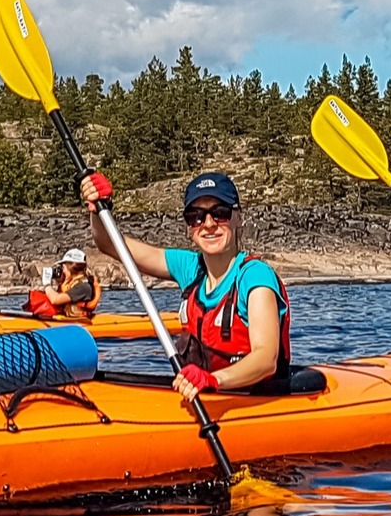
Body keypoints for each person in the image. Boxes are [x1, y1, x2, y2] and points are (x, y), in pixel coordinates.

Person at [76, 168, 291, 401]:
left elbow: (266, 359)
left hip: (255, 398)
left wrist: (214, 380)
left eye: (220, 213)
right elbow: (109, 243)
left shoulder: (255, 277)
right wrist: (100, 207)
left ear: (237, 217)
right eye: (196, 216)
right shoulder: (190, 268)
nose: (208, 224)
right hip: (204, 394)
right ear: (189, 227)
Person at [28, 247, 98, 323]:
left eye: (63, 267)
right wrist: (60, 282)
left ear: (70, 268)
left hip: (79, 323)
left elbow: (55, 300)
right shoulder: (72, 284)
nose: (62, 270)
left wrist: (47, 283)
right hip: (69, 321)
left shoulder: (84, 287)